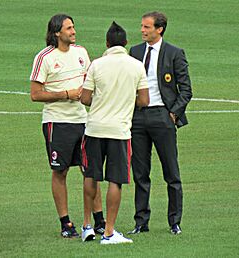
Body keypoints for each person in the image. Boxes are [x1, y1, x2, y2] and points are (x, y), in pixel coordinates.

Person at [30, 13, 105, 238]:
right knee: (60, 171)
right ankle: (66, 223)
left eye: (73, 27)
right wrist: (66, 94)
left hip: (83, 121)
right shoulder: (44, 58)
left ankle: (99, 220)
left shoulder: (81, 53)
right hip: (57, 123)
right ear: (56, 33)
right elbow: (35, 94)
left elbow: (90, 82)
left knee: (90, 170)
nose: (73, 31)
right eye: (69, 28)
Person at [80, 21, 149, 244]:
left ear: (107, 43)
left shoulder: (97, 65)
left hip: (95, 128)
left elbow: (85, 98)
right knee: (115, 181)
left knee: (91, 176)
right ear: (126, 43)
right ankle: (109, 231)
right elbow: (144, 100)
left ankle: (86, 226)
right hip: (119, 131)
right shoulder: (137, 65)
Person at [127, 11, 192, 235]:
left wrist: (173, 114)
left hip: (162, 117)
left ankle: (174, 222)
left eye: (147, 27)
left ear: (159, 29)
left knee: (171, 172)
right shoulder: (134, 52)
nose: (142, 30)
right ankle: (141, 222)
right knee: (140, 173)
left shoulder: (174, 53)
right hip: (138, 118)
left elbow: (186, 90)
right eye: (142, 26)